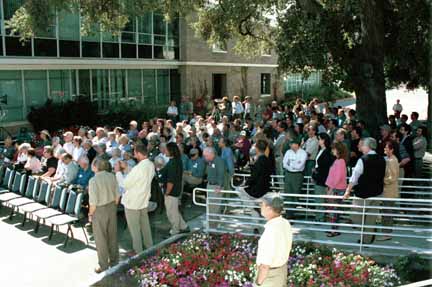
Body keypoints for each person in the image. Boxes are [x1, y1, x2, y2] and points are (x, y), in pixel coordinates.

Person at [344, 138, 386, 244]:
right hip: (377, 193)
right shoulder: (382, 159)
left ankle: (367, 237)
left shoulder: (363, 159)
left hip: (362, 194)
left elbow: (354, 177)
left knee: (354, 216)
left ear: (367, 147)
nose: (361, 147)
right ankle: (367, 239)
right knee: (370, 220)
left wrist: (348, 191)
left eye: (363, 145)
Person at [88, 158, 120, 273]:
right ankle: (115, 261)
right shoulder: (112, 176)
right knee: (112, 235)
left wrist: (90, 214)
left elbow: (93, 202)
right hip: (111, 207)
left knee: (100, 238)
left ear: (96, 167)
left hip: (99, 210)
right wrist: (113, 206)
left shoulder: (93, 180)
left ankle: (103, 265)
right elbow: (117, 195)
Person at [122, 144, 155, 254]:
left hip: (133, 202)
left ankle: (138, 250)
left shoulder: (138, 168)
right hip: (143, 199)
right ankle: (149, 246)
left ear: (140, 153)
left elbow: (125, 184)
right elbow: (138, 176)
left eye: (135, 153)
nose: (134, 155)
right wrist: (127, 168)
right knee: (145, 226)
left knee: (134, 228)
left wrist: (118, 172)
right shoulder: (150, 164)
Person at [255, 194, 292, 287]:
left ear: (269, 208)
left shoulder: (270, 231)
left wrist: (258, 283)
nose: (260, 207)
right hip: (281, 271)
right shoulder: (285, 223)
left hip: (270, 276)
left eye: (262, 205)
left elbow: (265, 265)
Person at [237, 139, 273, 218]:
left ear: (257, 148)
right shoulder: (267, 160)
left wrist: (245, 184)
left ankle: (254, 207)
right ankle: (254, 209)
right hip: (265, 187)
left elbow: (254, 176)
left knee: (239, 189)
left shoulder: (260, 160)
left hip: (257, 189)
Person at [161, 142, 189, 235]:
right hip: (176, 189)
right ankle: (184, 226)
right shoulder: (176, 160)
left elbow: (171, 180)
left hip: (172, 191)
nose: (165, 151)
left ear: (171, 151)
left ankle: (175, 230)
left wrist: (167, 192)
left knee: (171, 212)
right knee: (174, 210)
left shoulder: (173, 163)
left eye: (167, 149)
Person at [325, 142, 348, 237]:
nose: (332, 150)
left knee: (335, 211)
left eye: (334, 149)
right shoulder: (338, 161)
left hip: (338, 189)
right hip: (336, 188)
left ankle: (334, 230)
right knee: (334, 210)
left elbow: (338, 177)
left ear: (338, 150)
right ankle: (333, 229)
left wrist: (331, 188)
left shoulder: (340, 161)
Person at [312, 133, 335, 221]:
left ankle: (320, 218)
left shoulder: (328, 152)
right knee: (318, 200)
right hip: (318, 178)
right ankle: (319, 217)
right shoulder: (321, 150)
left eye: (319, 139)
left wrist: (316, 172)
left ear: (324, 140)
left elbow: (325, 167)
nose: (318, 141)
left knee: (320, 200)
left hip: (323, 179)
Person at [379, 141, 399, 241]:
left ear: (391, 149)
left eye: (386, 148)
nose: (384, 149)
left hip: (389, 192)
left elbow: (393, 177)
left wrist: (382, 181)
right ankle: (386, 233)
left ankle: (387, 234)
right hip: (388, 192)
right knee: (386, 213)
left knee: (387, 213)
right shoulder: (389, 159)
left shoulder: (392, 161)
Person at [282, 138, 307, 218]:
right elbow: (285, 164)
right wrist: (293, 165)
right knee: (288, 193)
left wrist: (291, 164)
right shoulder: (288, 152)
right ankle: (289, 213)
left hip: (298, 175)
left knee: (295, 193)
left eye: (292, 143)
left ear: (297, 144)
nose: (290, 145)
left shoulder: (303, 153)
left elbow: (300, 166)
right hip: (288, 174)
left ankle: (292, 212)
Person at [203, 147, 226, 229]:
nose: (205, 158)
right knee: (210, 206)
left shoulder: (219, 161)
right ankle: (211, 225)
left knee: (215, 207)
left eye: (206, 156)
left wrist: (219, 186)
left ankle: (214, 227)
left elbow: (221, 173)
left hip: (216, 186)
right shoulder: (210, 161)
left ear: (212, 154)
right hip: (210, 185)